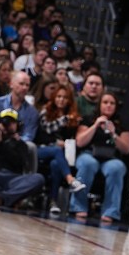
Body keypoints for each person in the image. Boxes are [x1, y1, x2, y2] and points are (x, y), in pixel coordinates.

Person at [71, 91, 129, 223]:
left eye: (112, 103)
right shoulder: (88, 119)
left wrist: (114, 134)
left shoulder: (121, 123)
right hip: (89, 154)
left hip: (111, 157)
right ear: (99, 105)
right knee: (87, 164)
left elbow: (126, 149)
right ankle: (78, 206)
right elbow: (80, 142)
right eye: (105, 102)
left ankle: (111, 211)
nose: (108, 106)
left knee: (117, 168)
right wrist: (95, 125)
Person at [35, 84, 87, 215]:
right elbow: (46, 129)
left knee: (55, 164)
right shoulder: (46, 110)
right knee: (57, 150)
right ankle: (71, 180)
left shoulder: (72, 116)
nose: (61, 100)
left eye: (65, 97)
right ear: (53, 97)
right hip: (41, 149)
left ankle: (53, 201)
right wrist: (65, 120)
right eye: (58, 96)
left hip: (60, 157)